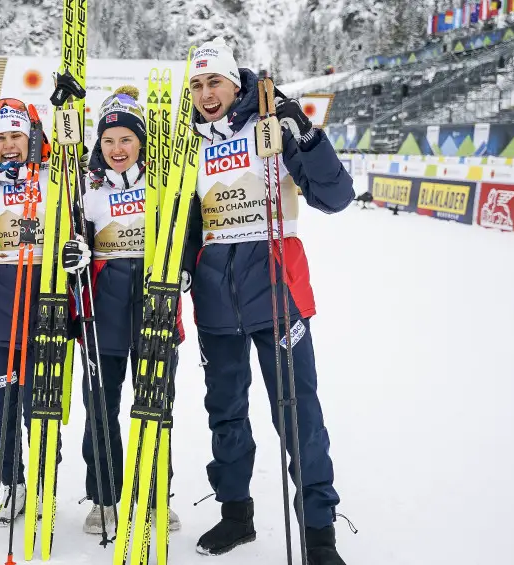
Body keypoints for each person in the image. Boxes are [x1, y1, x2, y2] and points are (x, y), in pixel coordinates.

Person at [181, 38, 354, 563]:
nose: (207, 93)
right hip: (214, 304)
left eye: (215, 82)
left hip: (277, 295)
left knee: (299, 414)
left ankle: (319, 534)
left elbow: (336, 197)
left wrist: (303, 134)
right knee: (226, 412)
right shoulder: (186, 146)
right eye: (197, 84)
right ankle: (236, 514)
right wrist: (184, 268)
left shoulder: (270, 126)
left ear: (235, 83)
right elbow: (187, 223)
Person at [59, 86, 181, 535]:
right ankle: (104, 497)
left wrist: (181, 267)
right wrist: (76, 254)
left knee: (156, 407)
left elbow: (186, 232)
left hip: (154, 313)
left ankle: (153, 496)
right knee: (100, 410)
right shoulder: (88, 192)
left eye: (126, 139)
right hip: (100, 318)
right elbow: (71, 243)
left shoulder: (163, 186)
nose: (116, 149)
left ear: (141, 142)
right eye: (108, 141)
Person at [0, 98, 49, 526]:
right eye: (0, 137)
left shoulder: (59, 181)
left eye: (16, 135)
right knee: (3, 405)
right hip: (0, 311)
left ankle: (41, 483)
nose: (9, 145)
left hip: (47, 309)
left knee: (43, 403)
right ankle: (11, 482)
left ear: (31, 138)